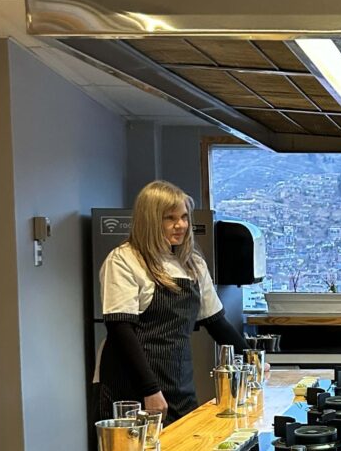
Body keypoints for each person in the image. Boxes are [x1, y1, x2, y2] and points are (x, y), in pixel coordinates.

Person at [96, 180, 248, 423]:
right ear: (151, 221)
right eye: (170, 218)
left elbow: (216, 322)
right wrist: (150, 390)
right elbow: (120, 330)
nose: (181, 225)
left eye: (184, 217)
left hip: (178, 379)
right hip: (133, 385)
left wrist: (253, 359)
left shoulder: (192, 263)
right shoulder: (124, 260)